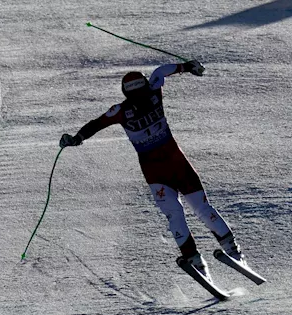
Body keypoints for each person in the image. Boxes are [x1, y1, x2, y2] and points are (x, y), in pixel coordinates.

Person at [59, 61, 241, 275]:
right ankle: (206, 257)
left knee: (190, 211)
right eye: (138, 96)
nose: (141, 99)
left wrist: (187, 66)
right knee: (187, 212)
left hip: (167, 168)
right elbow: (97, 123)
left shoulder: (132, 103)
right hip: (164, 170)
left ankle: (223, 254)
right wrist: (77, 138)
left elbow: (97, 123)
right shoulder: (136, 101)